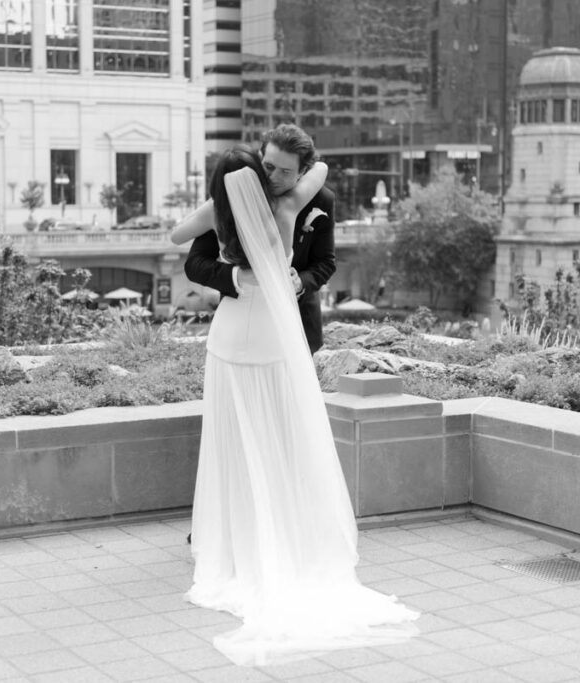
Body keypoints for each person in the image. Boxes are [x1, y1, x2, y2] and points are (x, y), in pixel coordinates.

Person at [170, 147, 417, 666]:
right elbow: (317, 172)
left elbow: (176, 238)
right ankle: (276, 535)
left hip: (241, 338)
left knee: (248, 439)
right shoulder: (287, 205)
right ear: (262, 172)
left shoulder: (223, 212)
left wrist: (221, 206)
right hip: (265, 333)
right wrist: (241, 270)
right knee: (272, 434)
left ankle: (246, 540)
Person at [184, 123, 335, 353]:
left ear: (303, 173)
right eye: (268, 166)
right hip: (242, 324)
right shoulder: (231, 197)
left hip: (300, 322)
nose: (273, 177)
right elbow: (195, 264)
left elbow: (326, 263)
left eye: (285, 172)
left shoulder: (321, 200)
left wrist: (299, 283)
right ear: (259, 158)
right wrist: (239, 276)